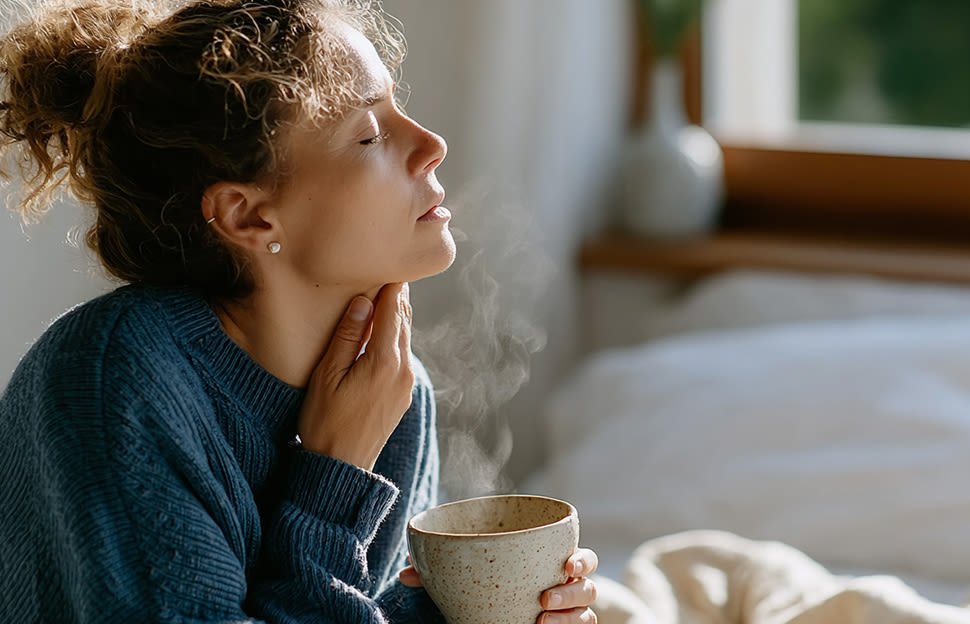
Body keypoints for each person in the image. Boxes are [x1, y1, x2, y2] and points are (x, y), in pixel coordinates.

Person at [0, 1, 598, 622]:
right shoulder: (112, 380)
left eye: (399, 107)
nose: (432, 145)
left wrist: (481, 610)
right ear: (249, 215)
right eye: (369, 135)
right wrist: (335, 473)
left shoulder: (392, 389)